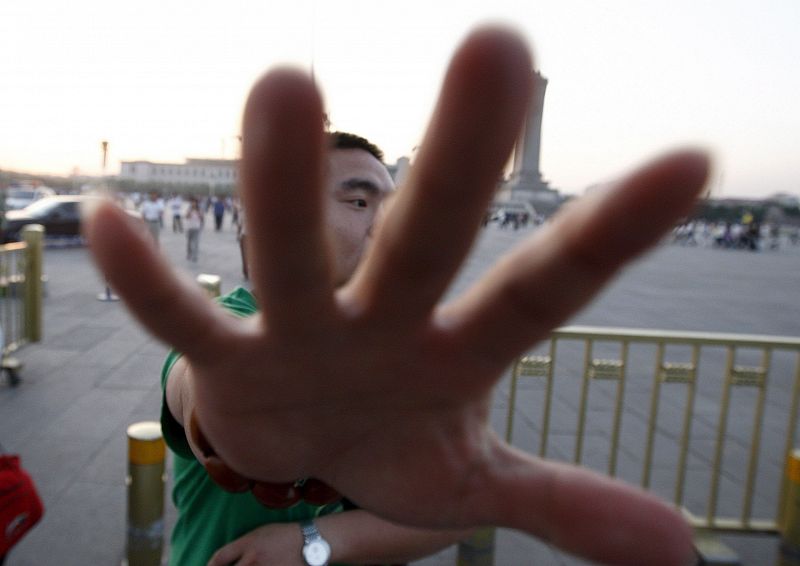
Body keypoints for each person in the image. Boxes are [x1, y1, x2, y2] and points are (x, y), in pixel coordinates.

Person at [84, 26, 708, 566]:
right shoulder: (235, 331)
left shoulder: (419, 359)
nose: (383, 222)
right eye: (358, 200)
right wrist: (219, 415)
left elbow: (451, 508)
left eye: (391, 202)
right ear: (284, 214)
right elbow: (194, 381)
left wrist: (313, 541)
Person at [185, 197, 203, 262]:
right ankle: (189, 254)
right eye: (192, 202)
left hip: (196, 228)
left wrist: (199, 214)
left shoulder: (199, 209)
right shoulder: (189, 209)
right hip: (189, 228)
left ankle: (195, 256)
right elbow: (186, 217)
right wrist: (190, 212)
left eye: (194, 202)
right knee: (189, 243)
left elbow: (201, 218)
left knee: (196, 243)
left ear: (196, 203)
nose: (193, 203)